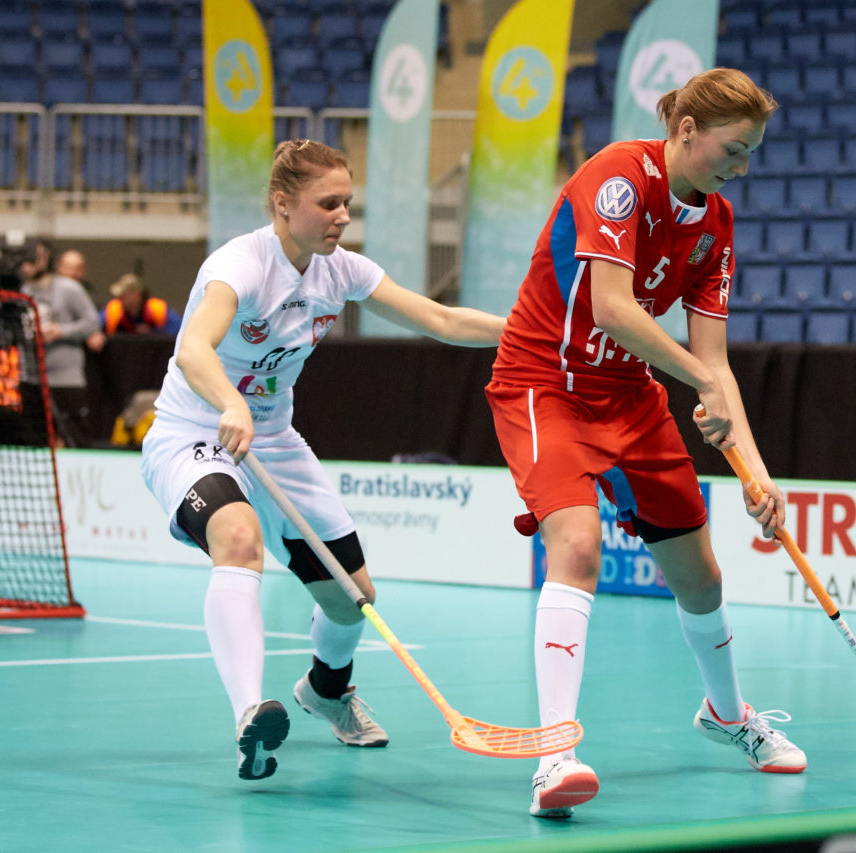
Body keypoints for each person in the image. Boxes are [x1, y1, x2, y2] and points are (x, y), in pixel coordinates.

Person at [485, 68, 806, 819]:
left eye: (753, 152)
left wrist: (758, 476)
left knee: (701, 577)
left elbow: (715, 363)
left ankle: (727, 714)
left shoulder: (718, 224)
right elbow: (611, 307)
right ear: (686, 129)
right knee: (576, 544)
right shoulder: (618, 178)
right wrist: (700, 380)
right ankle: (554, 754)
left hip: (631, 396)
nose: (743, 167)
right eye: (734, 148)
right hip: (546, 384)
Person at [139, 139, 505, 781]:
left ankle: (327, 691)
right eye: (328, 203)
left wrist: (535, 330)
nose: (342, 216)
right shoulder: (241, 265)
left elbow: (440, 318)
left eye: (347, 203)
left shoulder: (343, 271)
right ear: (283, 204)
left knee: (350, 597)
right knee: (239, 538)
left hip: (274, 442)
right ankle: (250, 712)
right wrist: (231, 401)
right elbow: (194, 348)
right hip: (195, 431)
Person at [19, 237, 106, 446]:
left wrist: (60, 331)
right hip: (32, 378)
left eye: (35, 257)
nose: (28, 262)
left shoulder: (68, 288)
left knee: (75, 438)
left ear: (46, 260)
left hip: (65, 379)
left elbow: (92, 322)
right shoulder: (24, 291)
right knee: (35, 441)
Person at [101, 273, 181, 335]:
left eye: (123, 296)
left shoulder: (156, 309)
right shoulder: (113, 310)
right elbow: (94, 327)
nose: (119, 299)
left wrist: (153, 332)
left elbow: (181, 329)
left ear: (137, 295)